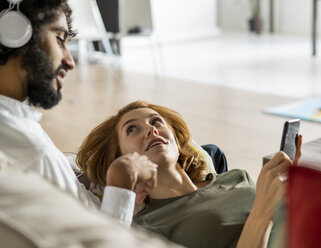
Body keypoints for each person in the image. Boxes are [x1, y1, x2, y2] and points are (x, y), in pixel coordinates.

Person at [0, 0, 156, 227]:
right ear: (13, 31)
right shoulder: (33, 153)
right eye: (59, 39)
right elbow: (101, 242)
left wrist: (73, 173)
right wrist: (120, 186)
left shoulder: (18, 124)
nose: (70, 62)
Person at [76, 100, 302, 248]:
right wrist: (263, 210)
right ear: (120, 157)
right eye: (132, 129)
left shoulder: (235, 177)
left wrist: (290, 190)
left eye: (156, 122)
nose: (151, 130)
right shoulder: (149, 227)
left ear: (175, 139)